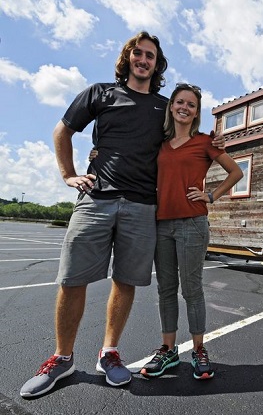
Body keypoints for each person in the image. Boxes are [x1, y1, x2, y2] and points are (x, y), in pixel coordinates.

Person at [20, 31, 224, 398]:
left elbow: (184, 128)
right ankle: (61, 359)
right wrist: (68, 174)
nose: (144, 60)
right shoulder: (99, 93)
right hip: (96, 199)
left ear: (157, 64)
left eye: (151, 56)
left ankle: (109, 353)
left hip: (143, 205)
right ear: (128, 58)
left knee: (126, 281)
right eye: (138, 54)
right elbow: (61, 131)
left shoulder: (163, 107)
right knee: (71, 278)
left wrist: (213, 142)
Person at [137, 83, 242, 380]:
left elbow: (236, 172)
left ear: (196, 112)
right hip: (162, 224)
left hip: (192, 224)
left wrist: (211, 195)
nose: (185, 107)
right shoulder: (160, 144)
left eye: (191, 105)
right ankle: (168, 351)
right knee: (166, 290)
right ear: (172, 106)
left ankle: (198, 350)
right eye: (180, 102)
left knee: (191, 289)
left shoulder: (206, 142)